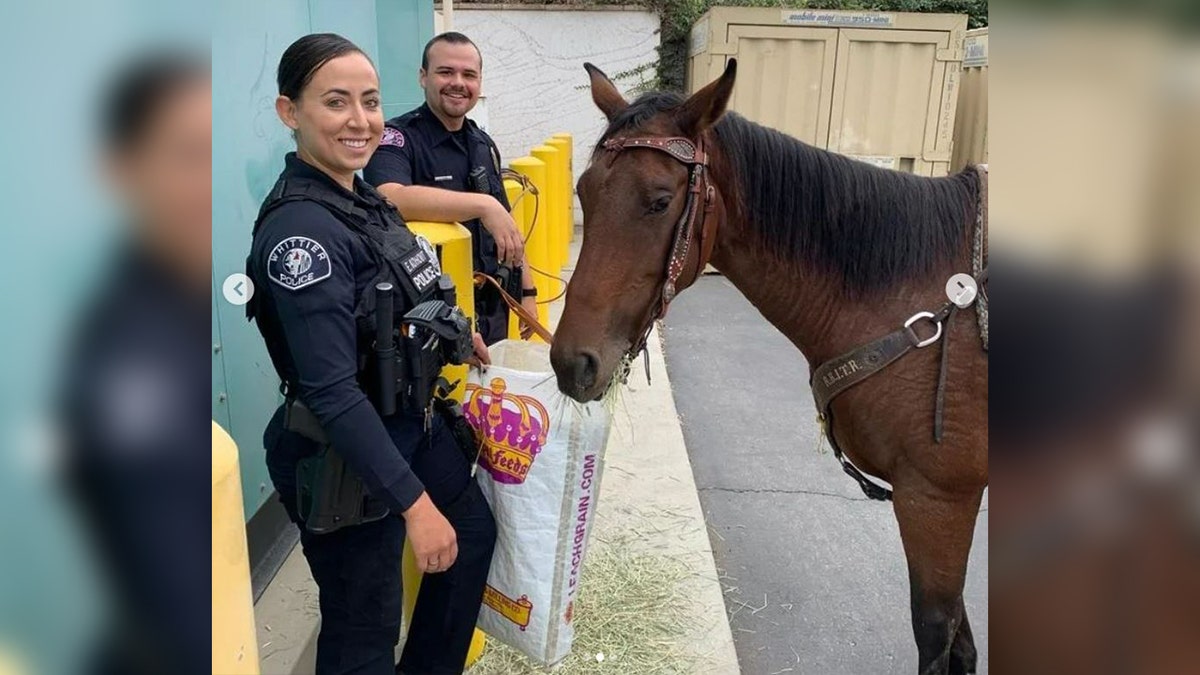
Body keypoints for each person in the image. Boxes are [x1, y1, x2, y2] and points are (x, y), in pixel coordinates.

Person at [245, 33, 496, 675]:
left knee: (468, 534)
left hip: (408, 417)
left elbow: (400, 286)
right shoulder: (302, 233)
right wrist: (415, 508)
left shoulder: (360, 198)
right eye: (335, 102)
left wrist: (453, 329)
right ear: (289, 112)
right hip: (344, 451)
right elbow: (330, 392)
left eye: (370, 101)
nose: (359, 121)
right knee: (365, 626)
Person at [60, 51, 212, 675]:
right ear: (119, 171)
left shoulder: (176, 298)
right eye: (185, 156)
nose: (207, 182)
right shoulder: (131, 344)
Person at [364, 31, 537, 345]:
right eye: (446, 72)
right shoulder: (397, 138)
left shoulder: (483, 144)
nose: (458, 82)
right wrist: (483, 205)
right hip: (430, 317)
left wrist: (528, 294)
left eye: (469, 74)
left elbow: (508, 228)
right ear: (423, 77)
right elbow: (389, 196)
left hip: (493, 308)